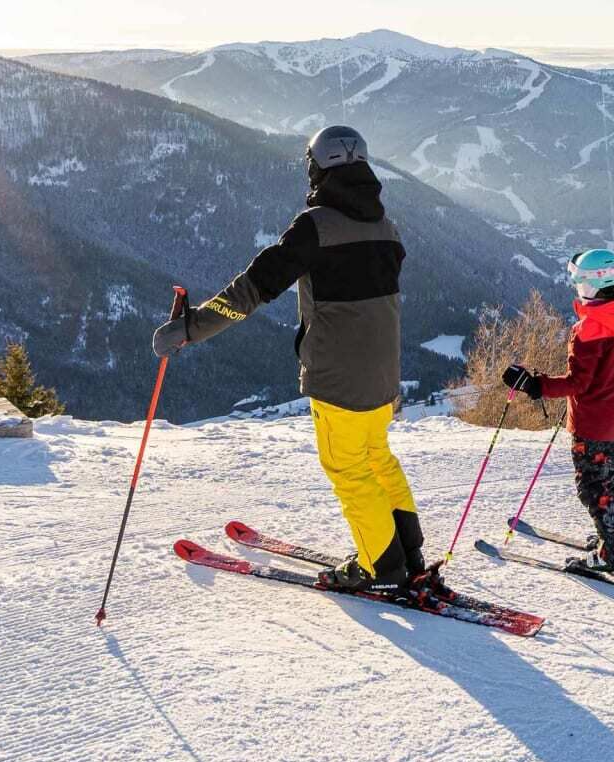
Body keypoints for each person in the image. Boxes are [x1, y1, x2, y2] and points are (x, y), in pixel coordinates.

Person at [152, 124, 445, 599]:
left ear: (317, 168)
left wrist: (191, 328)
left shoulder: (316, 227)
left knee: (347, 469)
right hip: (383, 376)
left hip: (338, 378)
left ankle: (380, 566)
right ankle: (406, 553)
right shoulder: (385, 228)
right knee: (377, 459)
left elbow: (253, 288)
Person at [503, 249, 614, 590]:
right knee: (613, 480)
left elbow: (578, 383)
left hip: (592, 421)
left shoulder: (590, 327)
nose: (575, 287)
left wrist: (533, 384)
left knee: (594, 488)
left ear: (589, 284)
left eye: (577, 280)